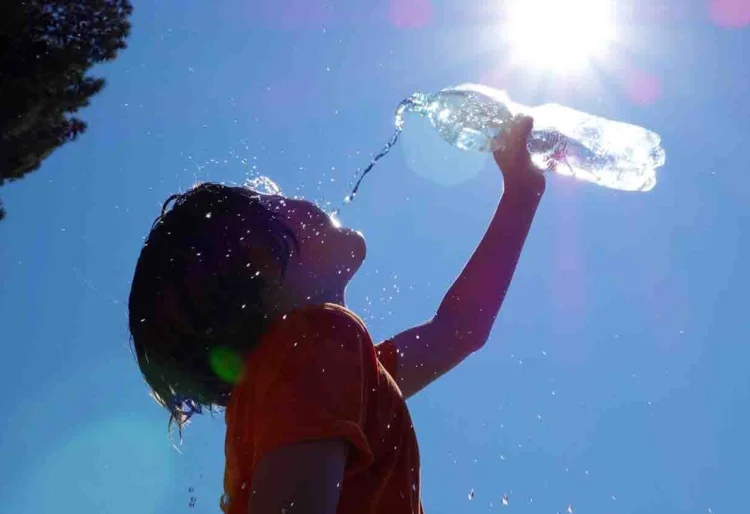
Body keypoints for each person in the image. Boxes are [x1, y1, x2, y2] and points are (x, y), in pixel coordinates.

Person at [128, 116, 545, 514]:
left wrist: (522, 192)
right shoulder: (312, 347)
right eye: (274, 204)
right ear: (259, 265)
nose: (297, 199)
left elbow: (459, 330)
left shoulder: (319, 378)